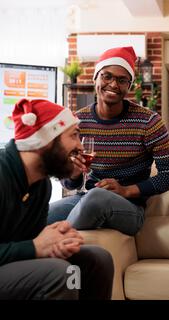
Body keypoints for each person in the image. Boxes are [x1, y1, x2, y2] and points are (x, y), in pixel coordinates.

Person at [47, 46, 169, 236]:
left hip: (130, 208)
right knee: (40, 216)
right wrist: (74, 173)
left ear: (129, 86)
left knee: (96, 197)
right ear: (95, 79)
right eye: (107, 76)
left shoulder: (149, 122)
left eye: (122, 80)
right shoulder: (76, 122)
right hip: (85, 198)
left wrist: (127, 190)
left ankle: (57, 240)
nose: (113, 84)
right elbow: (69, 185)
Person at [0, 99, 114, 299]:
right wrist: (35, 247)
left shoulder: (40, 184)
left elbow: (31, 242)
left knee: (97, 260)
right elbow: (32, 247)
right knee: (58, 274)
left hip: (8, 263)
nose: (80, 146)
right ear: (44, 140)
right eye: (74, 136)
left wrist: (55, 242)